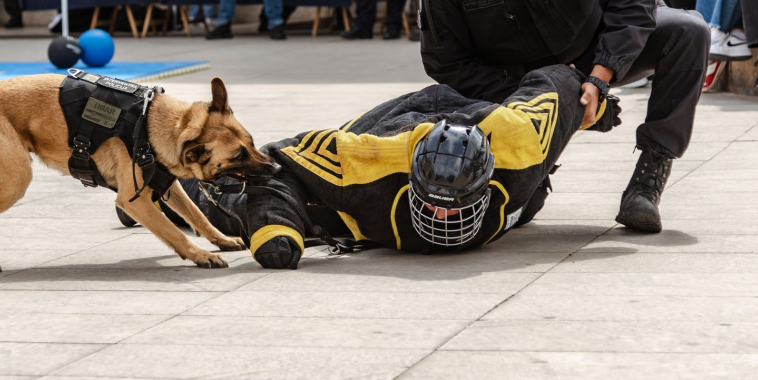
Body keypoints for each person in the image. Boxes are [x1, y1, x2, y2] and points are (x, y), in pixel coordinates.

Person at [420, 0, 709, 233]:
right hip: (520, 83)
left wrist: (601, 75)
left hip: (596, 44)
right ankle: (529, 177)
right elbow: (446, 63)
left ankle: (648, 178)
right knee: (515, 210)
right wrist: (549, 102)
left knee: (689, 31)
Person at [179, 65, 602, 268]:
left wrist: (596, 99)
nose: (442, 217)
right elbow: (279, 163)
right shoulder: (367, 161)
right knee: (235, 207)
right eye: (435, 204)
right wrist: (276, 230)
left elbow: (558, 84)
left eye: (453, 207)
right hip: (395, 129)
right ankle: (165, 191)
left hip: (471, 112)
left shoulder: (519, 146)